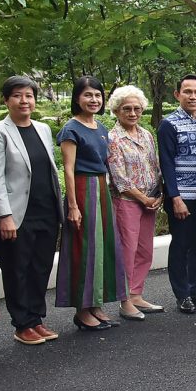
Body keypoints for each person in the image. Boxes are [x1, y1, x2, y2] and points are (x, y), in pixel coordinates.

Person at [0, 75, 63, 345]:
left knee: (40, 268)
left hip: (46, 211)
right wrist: (4, 216)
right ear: (6, 100)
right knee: (17, 269)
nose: (24, 100)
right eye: (17, 95)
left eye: (28, 95)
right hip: (15, 215)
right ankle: (22, 324)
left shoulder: (43, 129)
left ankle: (36, 319)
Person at [55, 76, 128, 330]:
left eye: (97, 95)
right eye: (88, 95)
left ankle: (96, 304)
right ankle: (81, 310)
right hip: (83, 190)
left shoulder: (102, 128)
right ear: (77, 98)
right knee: (83, 249)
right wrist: (73, 206)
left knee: (103, 248)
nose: (93, 100)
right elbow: (68, 168)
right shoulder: (71, 129)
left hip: (101, 190)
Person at [158, 74, 196, 314]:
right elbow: (166, 163)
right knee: (181, 245)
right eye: (188, 92)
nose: (193, 96)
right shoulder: (169, 124)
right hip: (182, 198)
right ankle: (182, 294)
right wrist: (175, 198)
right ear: (177, 94)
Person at [107, 85, 165, 321]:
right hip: (127, 201)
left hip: (149, 201)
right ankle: (125, 301)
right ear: (117, 111)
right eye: (127, 109)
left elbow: (155, 166)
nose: (132, 113)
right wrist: (143, 198)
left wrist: (159, 194)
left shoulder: (146, 135)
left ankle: (137, 293)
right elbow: (119, 177)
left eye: (137, 109)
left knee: (144, 250)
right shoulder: (113, 138)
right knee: (127, 252)